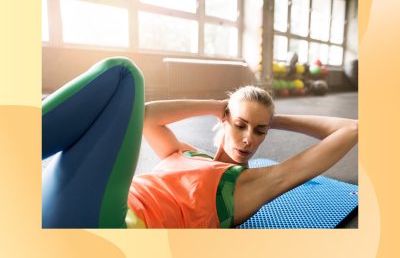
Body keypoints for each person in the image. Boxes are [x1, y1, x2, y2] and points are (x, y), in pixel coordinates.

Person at [42, 57, 358, 229]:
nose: (249, 138)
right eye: (240, 125)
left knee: (123, 75)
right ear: (225, 120)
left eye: (260, 131)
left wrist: (278, 120)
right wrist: (214, 105)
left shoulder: (246, 185)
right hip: (86, 201)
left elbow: (352, 129)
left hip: (115, 225)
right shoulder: (183, 152)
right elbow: (147, 117)